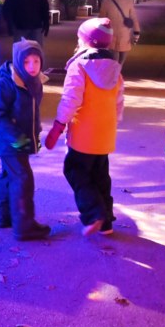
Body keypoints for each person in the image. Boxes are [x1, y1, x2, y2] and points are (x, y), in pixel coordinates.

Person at [44, 17, 124, 236]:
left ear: (87, 41)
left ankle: (94, 214)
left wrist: (58, 126)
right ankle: (106, 223)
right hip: (105, 135)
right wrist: (112, 124)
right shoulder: (115, 69)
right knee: (101, 176)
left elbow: (71, 99)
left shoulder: (79, 66)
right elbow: (119, 102)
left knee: (76, 172)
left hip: (84, 134)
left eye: (79, 39)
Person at [0, 39, 51, 241]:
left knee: (9, 176)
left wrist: (35, 133)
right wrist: (15, 137)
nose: (32, 67)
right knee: (23, 178)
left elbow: (32, 112)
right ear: (17, 62)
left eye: (36, 61)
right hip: (9, 141)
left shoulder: (34, 82)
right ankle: (24, 226)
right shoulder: (7, 84)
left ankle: (4, 217)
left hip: (20, 139)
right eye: (26, 63)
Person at [98, 0, 141, 64]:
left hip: (124, 33)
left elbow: (133, 17)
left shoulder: (129, 1)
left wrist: (136, 31)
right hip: (111, 33)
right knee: (114, 58)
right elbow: (101, 18)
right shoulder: (107, 1)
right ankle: (115, 74)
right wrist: (100, 31)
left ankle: (117, 73)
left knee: (122, 58)